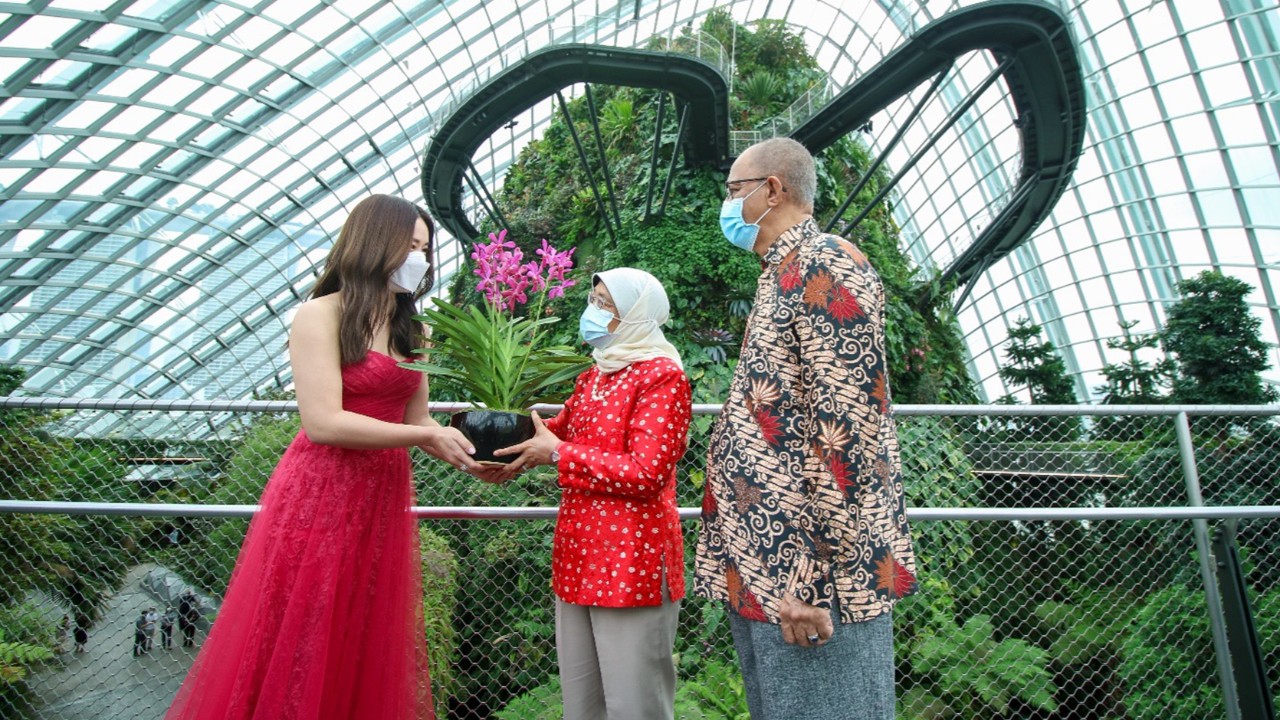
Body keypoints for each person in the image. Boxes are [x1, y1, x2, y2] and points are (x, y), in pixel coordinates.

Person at [166, 195, 487, 720]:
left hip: (381, 494)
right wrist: (419, 438)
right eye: (409, 246)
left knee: (360, 625)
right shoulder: (320, 315)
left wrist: (465, 451)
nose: (420, 261)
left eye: (425, 250)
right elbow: (323, 423)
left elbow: (420, 418)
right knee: (303, 625)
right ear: (373, 242)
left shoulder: (414, 329)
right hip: (322, 491)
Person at [694, 137, 918, 720]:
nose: (726, 204)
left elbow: (849, 432)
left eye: (733, 191)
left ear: (773, 189)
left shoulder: (824, 263)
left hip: (811, 574)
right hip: (768, 563)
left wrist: (811, 576)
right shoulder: (779, 274)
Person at [494, 268, 692, 720]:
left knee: (633, 706)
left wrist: (558, 454)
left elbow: (647, 473)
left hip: (632, 562)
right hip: (579, 557)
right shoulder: (593, 377)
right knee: (581, 707)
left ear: (638, 315)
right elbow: (551, 436)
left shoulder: (662, 378)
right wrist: (500, 455)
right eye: (594, 299)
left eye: (607, 305)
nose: (594, 311)